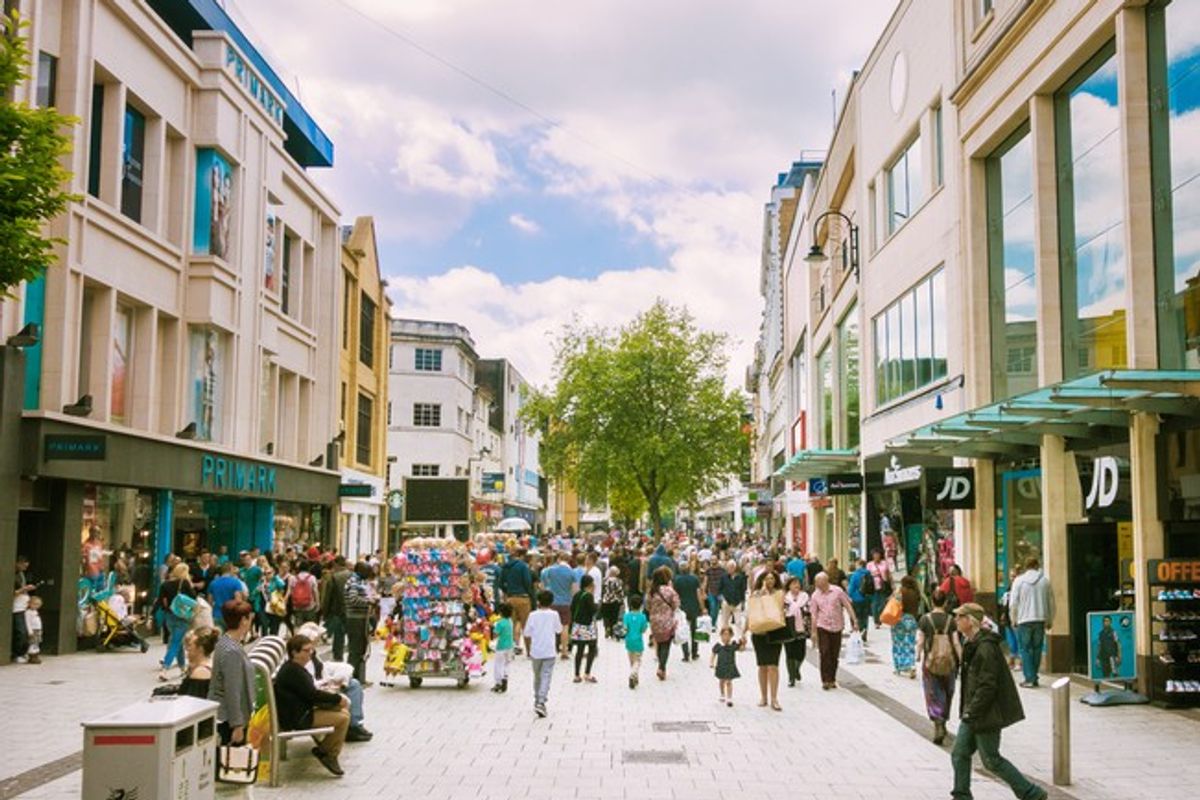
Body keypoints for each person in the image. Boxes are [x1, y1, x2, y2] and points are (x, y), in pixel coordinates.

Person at [950, 603, 1047, 800]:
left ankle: (1031, 793)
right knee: (959, 753)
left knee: (991, 760)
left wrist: (972, 711)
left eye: (960, 617)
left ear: (970, 621)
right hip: (973, 710)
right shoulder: (971, 643)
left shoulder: (986, 648)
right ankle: (961, 795)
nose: (956, 620)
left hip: (986, 712)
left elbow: (988, 686)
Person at [274, 634, 351, 777]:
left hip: (300, 711)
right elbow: (312, 695)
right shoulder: (294, 671)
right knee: (343, 718)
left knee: (343, 712)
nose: (310, 654)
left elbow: (309, 693)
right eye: (306, 650)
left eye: (311, 650)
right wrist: (337, 698)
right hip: (298, 717)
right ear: (294, 652)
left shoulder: (294, 668)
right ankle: (328, 753)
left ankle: (326, 749)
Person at [208, 600, 256, 747]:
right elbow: (232, 690)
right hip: (229, 718)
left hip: (224, 714)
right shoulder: (232, 651)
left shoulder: (225, 642)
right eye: (249, 618)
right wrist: (237, 724)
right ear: (243, 621)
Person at [918, 589, 961, 744]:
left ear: (932, 602)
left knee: (932, 692)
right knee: (948, 691)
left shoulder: (924, 619)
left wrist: (917, 655)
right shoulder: (951, 620)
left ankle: (938, 721)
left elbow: (920, 641)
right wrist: (961, 658)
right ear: (945, 602)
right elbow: (956, 642)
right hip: (949, 662)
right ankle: (944, 719)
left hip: (930, 661)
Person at [1008, 556, 1055, 688]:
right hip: (1040, 619)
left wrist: (1013, 619)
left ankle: (1030, 678)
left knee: (1025, 649)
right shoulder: (1045, 581)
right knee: (1037, 649)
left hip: (1023, 620)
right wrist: (1050, 619)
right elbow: (1051, 602)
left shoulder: (1018, 581)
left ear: (1025, 566)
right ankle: (1033, 676)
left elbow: (1013, 603)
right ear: (1037, 565)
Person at [809, 571, 858, 689]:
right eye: (816, 582)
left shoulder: (837, 591)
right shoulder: (815, 595)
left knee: (834, 654)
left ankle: (832, 678)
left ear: (826, 581)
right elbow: (814, 615)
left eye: (819, 582)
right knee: (824, 652)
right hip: (822, 626)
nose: (817, 585)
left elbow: (847, 605)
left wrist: (854, 621)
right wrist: (813, 631)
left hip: (837, 626)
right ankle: (825, 680)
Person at [749, 570, 786, 710]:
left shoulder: (779, 593)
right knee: (762, 666)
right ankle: (763, 696)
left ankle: (774, 698)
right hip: (759, 633)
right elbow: (751, 611)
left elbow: (777, 609)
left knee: (773, 666)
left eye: (772, 578)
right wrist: (744, 631)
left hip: (775, 632)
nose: (770, 581)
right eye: (767, 578)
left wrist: (767, 595)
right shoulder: (756, 594)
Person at [525, 590, 563, 717]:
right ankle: (541, 701)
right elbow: (559, 630)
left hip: (536, 651)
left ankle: (537, 699)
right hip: (549, 650)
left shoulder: (532, 615)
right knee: (546, 675)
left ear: (538, 601)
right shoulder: (554, 614)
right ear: (551, 602)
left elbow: (527, 633)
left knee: (537, 676)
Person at [156, 563, 196, 680]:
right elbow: (193, 598)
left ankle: (182, 668)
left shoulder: (165, 584)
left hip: (169, 616)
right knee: (175, 642)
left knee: (178, 641)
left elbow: (159, 601)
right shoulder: (185, 583)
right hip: (182, 617)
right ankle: (165, 669)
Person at [645, 566, 680, 681]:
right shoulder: (669, 590)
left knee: (659, 643)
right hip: (667, 621)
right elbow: (676, 604)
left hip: (654, 621)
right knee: (666, 644)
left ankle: (661, 666)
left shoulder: (651, 591)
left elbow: (647, 606)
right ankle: (661, 667)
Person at [540, 553, 577, 659]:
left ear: (559, 559)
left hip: (552, 603)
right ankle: (564, 651)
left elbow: (543, 585)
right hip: (565, 603)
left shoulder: (550, 570)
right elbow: (574, 590)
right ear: (568, 560)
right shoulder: (572, 572)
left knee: (551, 627)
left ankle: (550, 650)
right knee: (565, 626)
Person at [343, 562, 372, 684]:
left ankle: (358, 677)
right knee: (356, 649)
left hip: (359, 618)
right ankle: (351, 678)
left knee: (360, 648)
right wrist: (368, 601)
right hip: (356, 619)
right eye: (367, 572)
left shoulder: (358, 581)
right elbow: (353, 599)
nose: (369, 574)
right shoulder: (354, 582)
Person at [501, 549, 534, 654]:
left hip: (510, 598)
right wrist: (530, 594)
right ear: (521, 556)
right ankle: (529, 650)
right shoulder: (523, 566)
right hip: (523, 597)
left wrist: (507, 591)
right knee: (526, 625)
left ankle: (510, 649)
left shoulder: (505, 567)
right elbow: (527, 582)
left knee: (511, 625)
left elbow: (501, 583)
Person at [569, 574, 599, 683]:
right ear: (590, 584)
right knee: (591, 648)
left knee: (579, 651)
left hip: (578, 626)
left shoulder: (577, 595)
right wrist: (596, 605)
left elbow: (572, 608)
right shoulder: (589, 596)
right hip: (588, 626)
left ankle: (577, 675)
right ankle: (587, 673)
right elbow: (593, 610)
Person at [321, 556, 351, 662]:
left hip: (337, 610)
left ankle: (338, 657)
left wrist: (325, 612)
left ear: (336, 564)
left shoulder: (334, 577)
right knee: (351, 635)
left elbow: (327, 597)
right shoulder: (352, 576)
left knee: (339, 635)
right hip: (351, 610)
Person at [782, 576, 810, 688]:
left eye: (798, 583)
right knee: (789, 653)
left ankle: (796, 668)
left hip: (801, 628)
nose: (796, 585)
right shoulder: (784, 598)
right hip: (788, 628)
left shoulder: (805, 597)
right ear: (789, 586)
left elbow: (809, 610)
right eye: (793, 583)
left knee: (801, 653)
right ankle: (791, 677)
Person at [673, 563, 703, 662]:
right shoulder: (695, 579)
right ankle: (695, 653)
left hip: (682, 608)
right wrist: (702, 607)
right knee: (695, 631)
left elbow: (675, 595)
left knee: (683, 630)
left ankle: (686, 654)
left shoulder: (676, 580)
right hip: (694, 607)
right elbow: (698, 594)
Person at [893, 575, 921, 678]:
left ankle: (899, 667)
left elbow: (894, 603)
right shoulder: (916, 593)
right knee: (910, 644)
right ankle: (911, 665)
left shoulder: (901, 592)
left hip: (900, 619)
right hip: (912, 620)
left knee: (898, 644)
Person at [178, 627, 218, 700]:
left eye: (190, 645)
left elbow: (192, 702)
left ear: (200, 648)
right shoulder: (208, 665)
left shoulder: (200, 672)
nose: (187, 649)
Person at [207, 563, 246, 631]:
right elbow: (238, 600)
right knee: (230, 636)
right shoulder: (236, 582)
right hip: (231, 616)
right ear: (230, 570)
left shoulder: (213, 583)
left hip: (217, 614)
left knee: (218, 636)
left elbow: (209, 602)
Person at [710, 626, 742, 707]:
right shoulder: (719, 645)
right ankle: (722, 693)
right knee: (721, 681)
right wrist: (711, 662)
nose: (726, 637)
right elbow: (713, 653)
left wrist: (743, 643)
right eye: (724, 634)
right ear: (721, 635)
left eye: (728, 635)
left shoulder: (733, 644)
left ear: (731, 635)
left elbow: (741, 649)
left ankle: (729, 698)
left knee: (729, 682)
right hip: (721, 666)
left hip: (730, 666)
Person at [12, 554, 35, 663]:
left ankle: (23, 652)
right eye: (24, 566)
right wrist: (23, 589)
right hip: (17, 606)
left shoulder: (21, 574)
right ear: (18, 563)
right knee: (20, 631)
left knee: (26, 631)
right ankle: (17, 653)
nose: (25, 568)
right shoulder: (14, 575)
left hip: (24, 605)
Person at [717, 559, 747, 641]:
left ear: (734, 568)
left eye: (731, 567)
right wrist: (722, 599)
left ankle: (739, 639)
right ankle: (725, 638)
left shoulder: (740, 578)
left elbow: (743, 590)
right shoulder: (723, 577)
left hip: (737, 602)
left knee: (738, 621)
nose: (729, 569)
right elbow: (719, 589)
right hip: (726, 602)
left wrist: (743, 602)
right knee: (725, 621)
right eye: (728, 567)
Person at [623, 594, 649, 689]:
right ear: (641, 605)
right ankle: (633, 675)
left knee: (632, 661)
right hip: (638, 641)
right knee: (637, 661)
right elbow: (644, 629)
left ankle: (635, 678)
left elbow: (625, 628)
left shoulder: (626, 616)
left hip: (629, 641)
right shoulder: (643, 617)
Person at [846, 559, 872, 643]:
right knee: (865, 617)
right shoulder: (868, 574)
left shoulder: (855, 575)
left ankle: (857, 633)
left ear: (860, 565)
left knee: (856, 616)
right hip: (867, 598)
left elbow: (851, 589)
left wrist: (849, 596)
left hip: (856, 598)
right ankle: (864, 633)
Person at [492, 602, 514, 693]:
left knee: (498, 664)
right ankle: (505, 677)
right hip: (510, 646)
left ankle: (498, 682)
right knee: (507, 663)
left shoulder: (500, 623)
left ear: (501, 612)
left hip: (501, 646)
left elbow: (495, 635)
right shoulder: (510, 621)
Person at [290, 561, 321, 627]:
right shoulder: (312, 577)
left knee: (299, 626)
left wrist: (293, 603)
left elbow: (292, 592)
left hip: (297, 606)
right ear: (308, 568)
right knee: (310, 626)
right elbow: (315, 591)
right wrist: (318, 604)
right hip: (310, 606)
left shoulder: (294, 578)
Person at [867, 549, 892, 627]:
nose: (877, 556)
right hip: (874, 586)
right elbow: (867, 576)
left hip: (883, 585)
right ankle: (876, 621)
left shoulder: (884, 563)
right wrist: (874, 575)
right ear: (872, 556)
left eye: (878, 554)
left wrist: (891, 583)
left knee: (883, 603)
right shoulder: (869, 564)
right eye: (875, 554)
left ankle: (879, 616)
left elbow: (888, 574)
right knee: (874, 603)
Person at [600, 567, 624, 639]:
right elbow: (620, 591)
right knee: (614, 617)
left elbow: (602, 591)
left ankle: (607, 627)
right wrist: (622, 600)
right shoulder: (618, 581)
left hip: (605, 600)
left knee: (606, 616)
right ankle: (612, 631)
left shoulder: (604, 580)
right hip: (615, 601)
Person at [704, 558, 726, 625]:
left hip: (720, 592)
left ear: (717, 560)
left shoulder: (722, 570)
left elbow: (725, 581)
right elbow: (705, 581)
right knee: (712, 607)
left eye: (714, 560)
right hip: (711, 591)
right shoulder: (708, 571)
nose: (713, 561)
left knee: (717, 609)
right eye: (712, 560)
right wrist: (704, 591)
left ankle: (714, 622)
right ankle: (712, 623)